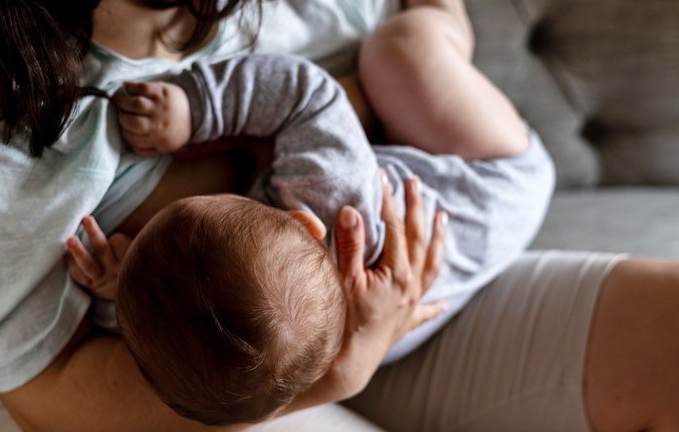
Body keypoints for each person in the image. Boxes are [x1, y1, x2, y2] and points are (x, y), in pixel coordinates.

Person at [0, 1, 679, 432]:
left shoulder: (318, 206)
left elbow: (350, 74)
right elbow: (48, 383)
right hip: (162, 395)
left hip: (403, 307)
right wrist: (337, 370)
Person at [63, 45, 549, 424]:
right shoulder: (327, 195)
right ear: (302, 221)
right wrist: (196, 109)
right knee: (398, 54)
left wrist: (116, 290)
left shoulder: (284, 363)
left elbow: (173, 326)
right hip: (496, 180)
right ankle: (438, 18)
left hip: (449, 253)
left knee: (396, 61)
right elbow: (306, 96)